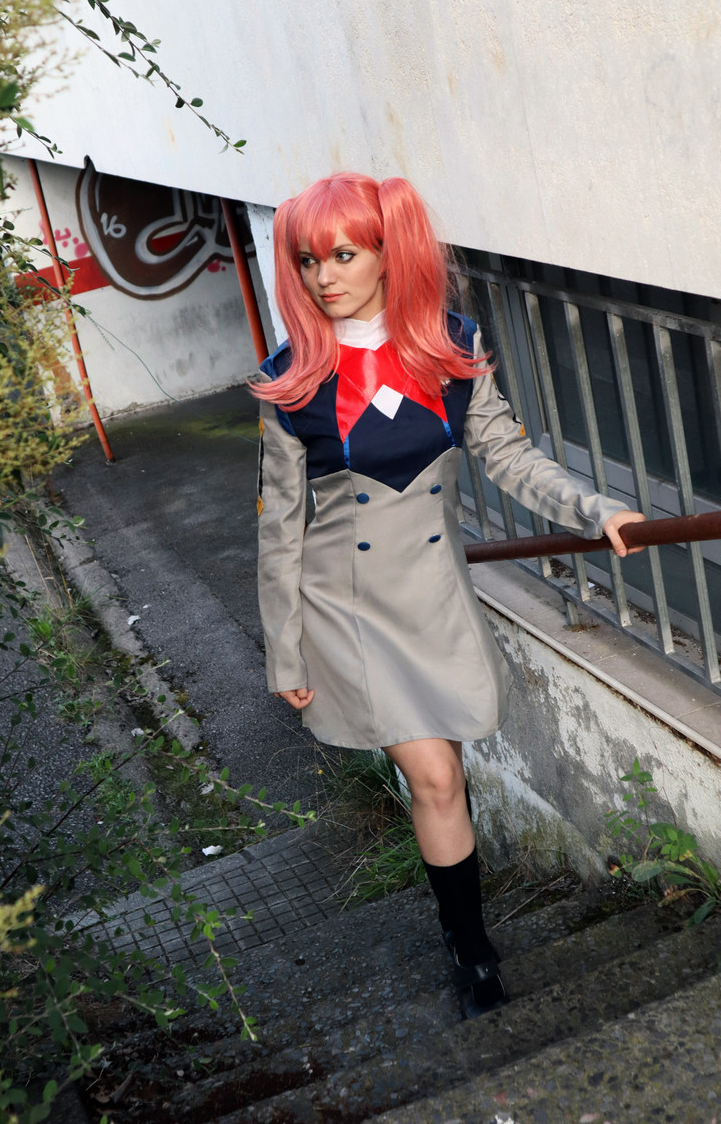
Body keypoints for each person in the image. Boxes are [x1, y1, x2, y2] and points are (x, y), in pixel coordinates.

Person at [253, 172, 645, 1019]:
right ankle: (473, 955)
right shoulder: (292, 379)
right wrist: (283, 647)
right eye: (309, 260)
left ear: (390, 252)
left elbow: (509, 459)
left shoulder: (451, 348)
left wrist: (595, 506)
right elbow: (280, 528)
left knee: (449, 777)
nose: (326, 276)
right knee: (433, 776)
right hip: (345, 609)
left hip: (432, 593)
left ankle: (459, 927)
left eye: (345, 254)